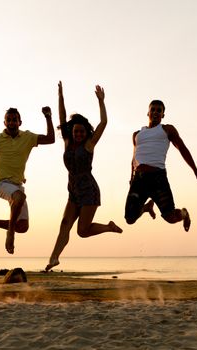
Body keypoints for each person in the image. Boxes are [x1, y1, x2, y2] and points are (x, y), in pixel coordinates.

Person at [45, 82, 123, 271]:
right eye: (75, 131)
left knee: (82, 231)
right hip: (73, 190)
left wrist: (101, 101)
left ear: (85, 132)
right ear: (72, 132)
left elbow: (103, 123)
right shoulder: (66, 142)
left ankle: (108, 227)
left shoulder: (89, 144)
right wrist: (60, 96)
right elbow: (62, 117)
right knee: (64, 224)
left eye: (81, 131)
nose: (78, 134)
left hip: (89, 190)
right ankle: (53, 258)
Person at [0, 106, 55, 254]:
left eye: (15, 120)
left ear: (20, 122)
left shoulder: (28, 137)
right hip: (1, 183)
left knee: (23, 226)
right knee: (19, 198)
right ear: (4, 122)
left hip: (17, 185)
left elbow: (50, 139)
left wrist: (48, 117)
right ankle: (10, 234)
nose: (12, 122)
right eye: (9, 120)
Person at [124, 100, 197, 231]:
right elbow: (134, 158)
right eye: (153, 109)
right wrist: (131, 177)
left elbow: (182, 149)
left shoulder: (167, 129)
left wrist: (196, 171)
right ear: (148, 112)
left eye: (159, 110)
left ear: (163, 115)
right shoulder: (137, 134)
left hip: (157, 178)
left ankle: (184, 213)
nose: (156, 112)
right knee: (130, 218)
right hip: (139, 179)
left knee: (170, 217)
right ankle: (147, 207)